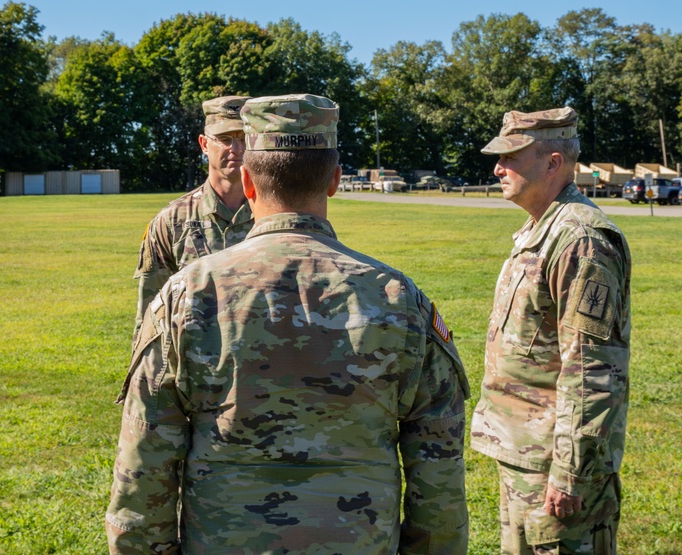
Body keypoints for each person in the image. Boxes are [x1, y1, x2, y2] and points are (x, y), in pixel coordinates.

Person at [107, 93, 469, 554]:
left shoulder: (187, 295)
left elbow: (144, 472)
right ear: (335, 180)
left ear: (249, 181)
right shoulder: (399, 299)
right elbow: (439, 477)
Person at [471, 107, 631, 555]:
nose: (498, 168)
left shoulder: (581, 239)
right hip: (525, 452)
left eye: (511, 157)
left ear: (553, 161)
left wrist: (572, 472)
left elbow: (592, 371)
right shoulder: (542, 229)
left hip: (553, 465)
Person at [132, 96, 254, 343]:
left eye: (244, 139)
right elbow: (150, 313)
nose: (237, 149)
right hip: (196, 371)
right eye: (225, 139)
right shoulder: (172, 221)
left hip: (264, 371)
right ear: (204, 144)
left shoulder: (276, 215)